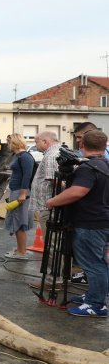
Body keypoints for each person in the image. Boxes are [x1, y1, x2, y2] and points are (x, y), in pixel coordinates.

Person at [46, 129, 109, 318]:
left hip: (90, 223)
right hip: (102, 220)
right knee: (98, 262)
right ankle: (94, 296)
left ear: (81, 145)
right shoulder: (104, 165)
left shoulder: (88, 168)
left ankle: (96, 304)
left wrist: (53, 201)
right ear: (104, 146)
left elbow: (77, 192)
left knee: (93, 264)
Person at [3, 134, 36, 260]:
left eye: (8, 143)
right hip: (16, 191)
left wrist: (22, 194)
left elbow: (26, 176)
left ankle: (22, 252)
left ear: (14, 143)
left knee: (20, 221)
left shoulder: (25, 157)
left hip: (21, 192)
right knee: (16, 220)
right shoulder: (19, 156)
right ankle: (20, 248)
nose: (7, 145)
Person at [29, 131, 60, 240]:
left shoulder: (51, 155)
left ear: (45, 141)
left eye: (36, 142)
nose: (35, 145)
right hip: (50, 204)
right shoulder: (53, 153)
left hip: (48, 205)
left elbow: (54, 180)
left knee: (51, 240)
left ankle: (52, 257)